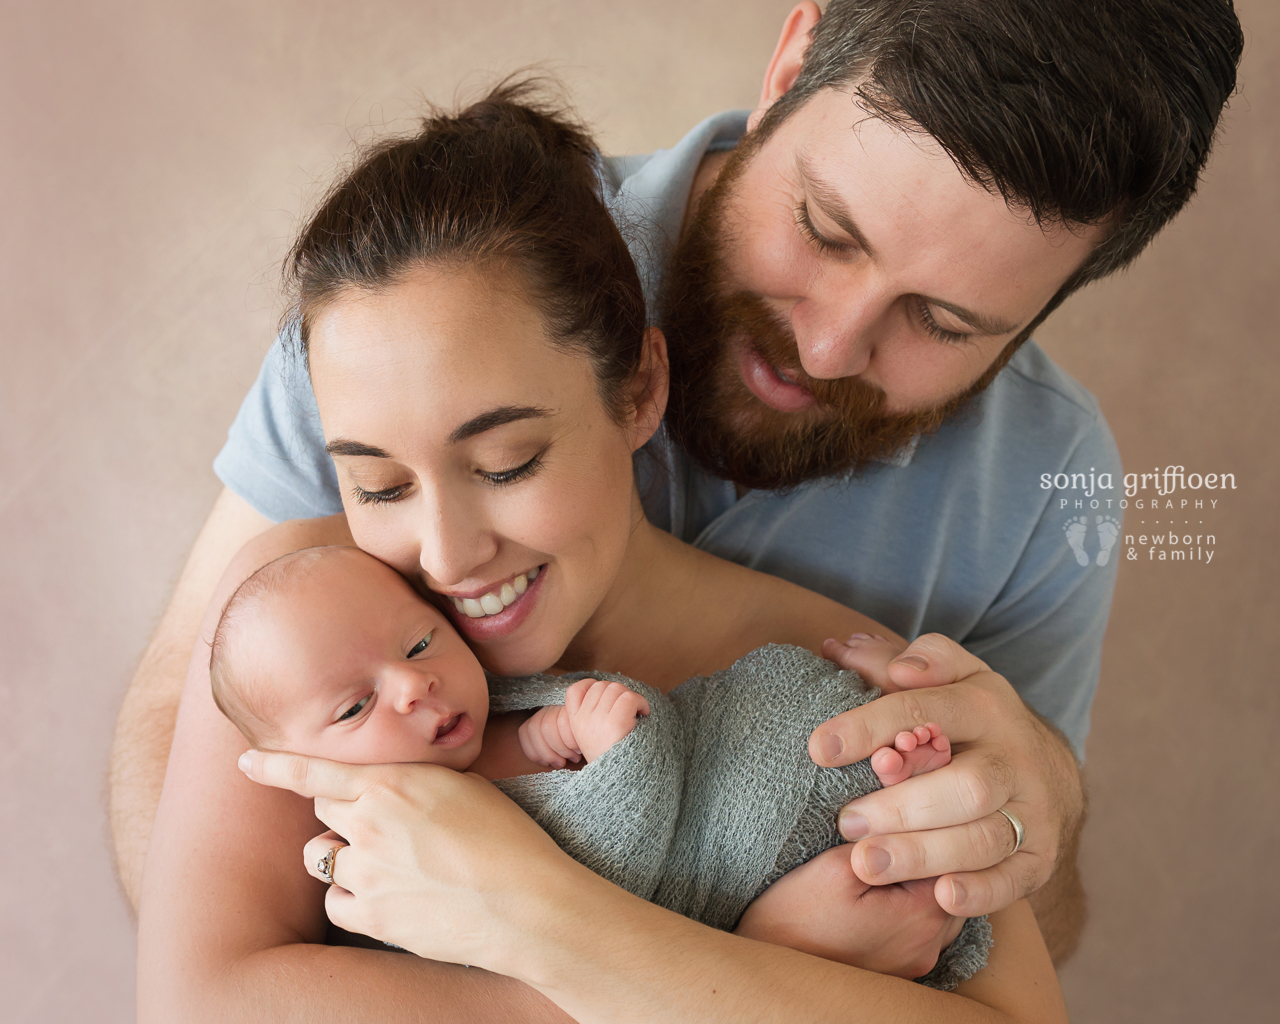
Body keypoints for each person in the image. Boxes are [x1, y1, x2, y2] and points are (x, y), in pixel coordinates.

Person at [114, 0, 1243, 990]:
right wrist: (736, 970)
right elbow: (200, 802)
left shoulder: (1045, 477)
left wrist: (1033, 814)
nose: (828, 344)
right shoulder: (440, 292)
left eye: (941, 323)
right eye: (823, 230)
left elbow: (1016, 938)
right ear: (791, 56)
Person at [208, 543, 976, 982]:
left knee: (815, 715)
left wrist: (552, 730)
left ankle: (890, 754)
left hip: (754, 759)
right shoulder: (384, 871)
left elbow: (543, 740)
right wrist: (622, 760)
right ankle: (879, 776)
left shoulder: (494, 708)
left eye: (419, 643)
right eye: (353, 708)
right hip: (719, 867)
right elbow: (595, 888)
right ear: (290, 767)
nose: (415, 685)